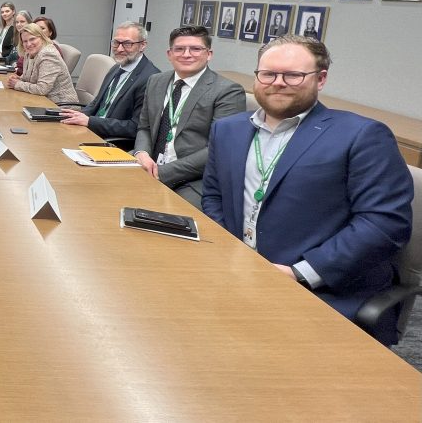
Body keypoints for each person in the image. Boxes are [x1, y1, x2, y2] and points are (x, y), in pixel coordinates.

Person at [202, 36, 412, 345]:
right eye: (269, 74)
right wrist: (229, 257)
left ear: (321, 79)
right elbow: (214, 197)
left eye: (293, 75)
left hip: (319, 291)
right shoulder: (228, 129)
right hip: (237, 279)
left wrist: (300, 273)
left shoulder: (362, 135)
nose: (279, 83)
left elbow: (384, 223)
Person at [132, 25, 246, 207]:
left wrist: (163, 172)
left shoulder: (227, 91)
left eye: (195, 49)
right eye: (179, 49)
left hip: (191, 178)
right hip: (149, 163)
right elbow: (144, 127)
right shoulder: (156, 81)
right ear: (169, 54)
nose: (186, 54)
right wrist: (142, 153)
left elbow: (218, 150)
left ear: (209, 54)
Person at [59, 21, 160, 143]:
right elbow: (97, 102)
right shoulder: (116, 68)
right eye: (116, 43)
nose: (119, 49)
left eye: (127, 44)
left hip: (111, 141)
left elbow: (135, 127)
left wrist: (90, 121)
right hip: (92, 130)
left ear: (142, 45)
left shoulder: (151, 79)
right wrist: (75, 117)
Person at [4, 23, 79, 107]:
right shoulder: (29, 53)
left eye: (32, 39)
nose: (28, 44)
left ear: (42, 38)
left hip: (61, 107)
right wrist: (19, 79)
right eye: (25, 41)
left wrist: (17, 84)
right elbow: (30, 78)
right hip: (42, 101)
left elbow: (42, 89)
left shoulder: (48, 54)